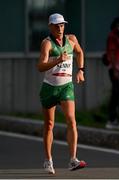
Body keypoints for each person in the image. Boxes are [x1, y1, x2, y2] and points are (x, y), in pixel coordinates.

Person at [37, 13, 87, 174]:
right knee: (49, 124)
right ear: (50, 26)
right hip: (49, 88)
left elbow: (79, 53)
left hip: (66, 86)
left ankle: (73, 160)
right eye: (56, 25)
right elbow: (40, 66)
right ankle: (48, 160)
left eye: (62, 25)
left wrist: (80, 70)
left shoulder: (71, 39)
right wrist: (57, 60)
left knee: (71, 120)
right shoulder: (47, 43)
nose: (60, 28)